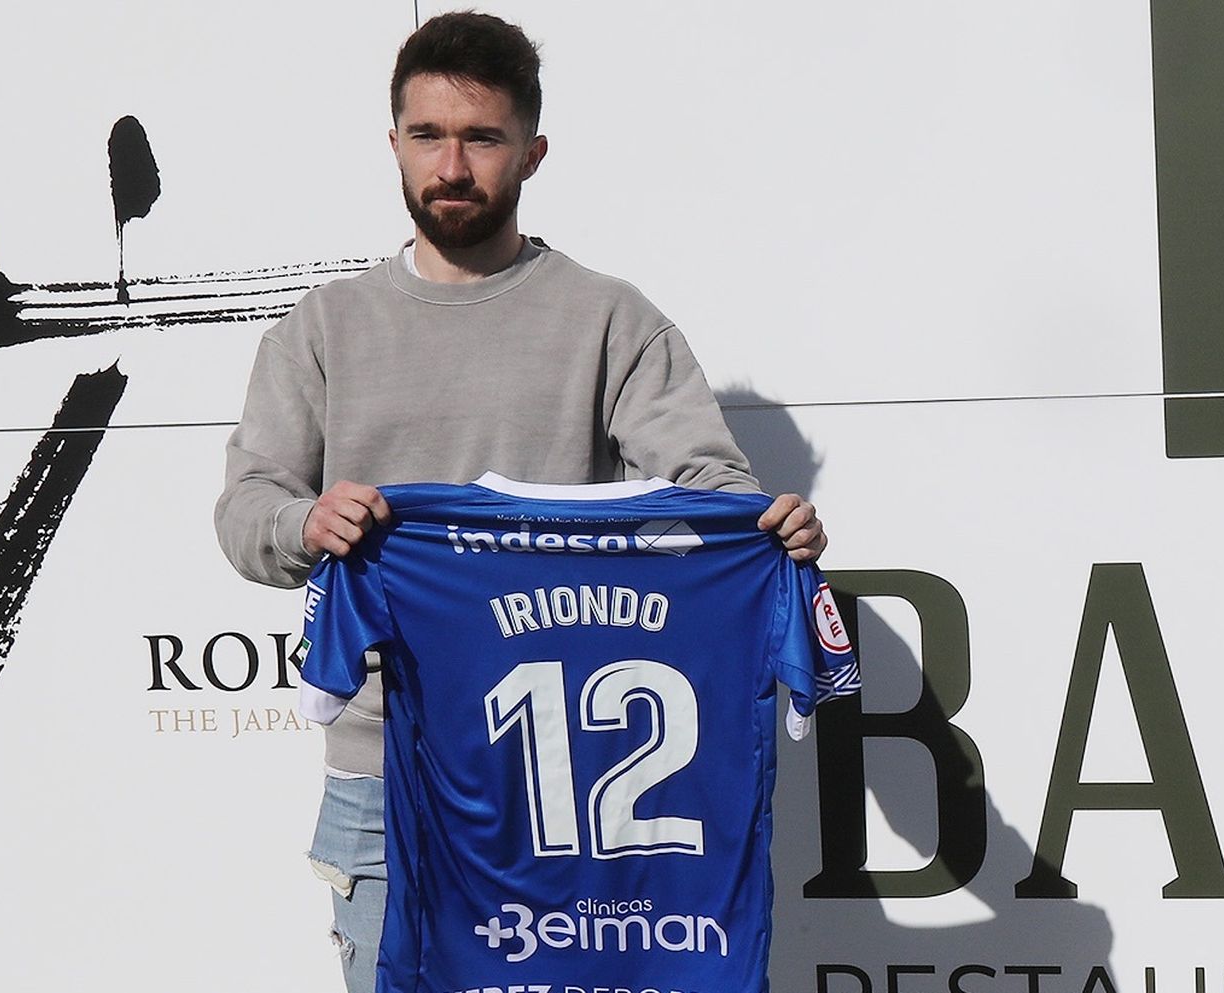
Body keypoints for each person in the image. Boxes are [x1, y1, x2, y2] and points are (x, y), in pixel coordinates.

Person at [213, 12, 827, 993]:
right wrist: (306, 525)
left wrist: (763, 533)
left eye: (481, 138)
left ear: (532, 152)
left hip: (574, 787)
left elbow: (711, 490)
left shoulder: (609, 318)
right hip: (386, 788)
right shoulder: (320, 332)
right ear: (394, 144)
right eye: (427, 136)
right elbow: (248, 510)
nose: (451, 165)